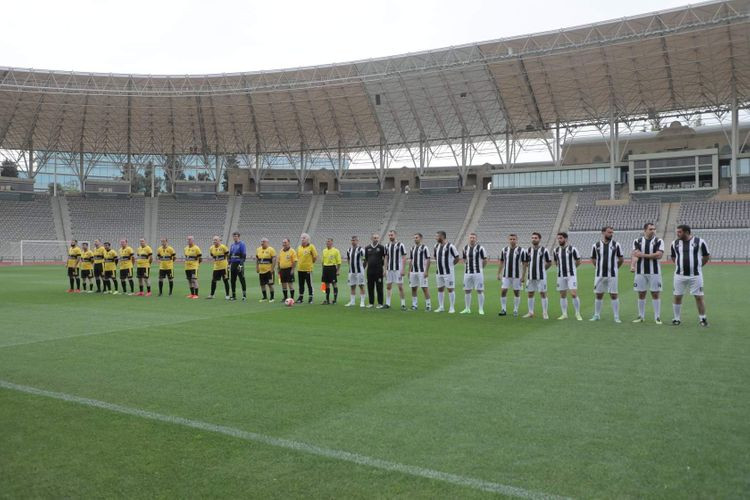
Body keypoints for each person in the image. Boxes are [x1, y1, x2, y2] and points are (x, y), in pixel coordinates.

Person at [670, 224, 710, 327]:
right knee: (677, 296)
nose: (677, 234)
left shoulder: (699, 241)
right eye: (677, 232)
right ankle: (676, 318)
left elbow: (706, 256)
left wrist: (698, 266)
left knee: (699, 297)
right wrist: (680, 265)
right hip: (679, 275)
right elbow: (674, 257)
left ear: (687, 232)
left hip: (695, 275)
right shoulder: (674, 243)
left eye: (680, 232)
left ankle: (702, 318)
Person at [631, 223, 664, 324]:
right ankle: (641, 316)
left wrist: (642, 255)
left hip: (654, 272)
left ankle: (657, 317)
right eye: (650, 229)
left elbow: (659, 255)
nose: (653, 231)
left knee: (655, 293)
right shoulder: (637, 241)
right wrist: (632, 265)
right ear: (645, 230)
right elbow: (635, 255)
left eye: (654, 229)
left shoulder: (659, 241)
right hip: (640, 272)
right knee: (641, 293)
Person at [590, 226, 624, 323]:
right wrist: (598, 267)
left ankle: (616, 317)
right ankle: (597, 315)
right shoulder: (596, 245)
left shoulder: (616, 245)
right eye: (609, 232)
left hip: (612, 275)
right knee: (598, 294)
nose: (611, 234)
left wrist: (615, 268)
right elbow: (593, 258)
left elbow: (621, 259)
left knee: (614, 295)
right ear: (603, 232)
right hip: (599, 274)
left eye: (612, 232)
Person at [522, 232, 552, 319]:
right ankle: (530, 312)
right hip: (530, 276)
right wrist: (523, 276)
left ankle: (545, 312)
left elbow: (549, 263)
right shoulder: (527, 250)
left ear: (539, 239)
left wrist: (542, 270)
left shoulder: (544, 250)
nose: (534, 239)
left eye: (535, 238)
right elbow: (525, 263)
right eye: (532, 238)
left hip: (541, 276)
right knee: (530, 293)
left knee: (543, 293)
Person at [553, 232, 582, 321]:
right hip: (561, 275)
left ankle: (577, 313)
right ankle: (564, 314)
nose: (559, 240)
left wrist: (573, 269)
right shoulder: (556, 250)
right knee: (562, 295)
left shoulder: (573, 249)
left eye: (561, 238)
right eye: (558, 238)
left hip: (571, 275)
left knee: (573, 294)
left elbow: (578, 261)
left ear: (565, 239)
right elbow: (555, 262)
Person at [498, 234, 525, 316]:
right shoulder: (504, 250)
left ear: (517, 240)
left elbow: (525, 264)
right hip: (506, 275)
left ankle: (515, 310)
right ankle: (503, 309)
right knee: (503, 291)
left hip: (517, 275)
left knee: (516, 292)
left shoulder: (521, 250)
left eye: (514, 239)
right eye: (511, 239)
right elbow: (501, 262)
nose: (512, 240)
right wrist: (498, 273)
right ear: (508, 240)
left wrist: (523, 276)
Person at [461, 233, 487, 315]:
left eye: (473, 238)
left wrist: (481, 268)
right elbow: (464, 259)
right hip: (467, 273)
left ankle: (481, 309)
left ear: (476, 239)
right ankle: (467, 308)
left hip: (478, 273)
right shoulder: (465, 248)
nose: (472, 239)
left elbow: (485, 260)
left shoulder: (480, 248)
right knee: (467, 290)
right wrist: (466, 266)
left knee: (480, 290)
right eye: (471, 238)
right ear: (468, 239)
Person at [433, 231, 459, 313]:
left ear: (442, 237)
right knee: (440, 289)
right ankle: (441, 307)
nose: (436, 238)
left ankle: (452, 307)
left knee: (450, 289)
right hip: (439, 272)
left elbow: (457, 258)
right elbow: (435, 256)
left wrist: (451, 265)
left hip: (448, 272)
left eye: (437, 236)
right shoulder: (436, 246)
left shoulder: (451, 246)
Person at [384, 230, 407, 310]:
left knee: (400, 287)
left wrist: (403, 269)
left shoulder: (401, 245)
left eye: (392, 235)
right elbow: (386, 258)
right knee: (388, 286)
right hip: (389, 269)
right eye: (389, 235)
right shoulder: (387, 245)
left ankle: (403, 304)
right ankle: (387, 303)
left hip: (398, 269)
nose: (390, 236)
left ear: (395, 235)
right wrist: (384, 269)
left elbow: (404, 258)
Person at [408, 233, 431, 311]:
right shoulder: (412, 248)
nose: (415, 239)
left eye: (417, 237)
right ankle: (414, 305)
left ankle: (428, 305)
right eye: (414, 238)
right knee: (413, 288)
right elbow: (411, 260)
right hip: (413, 271)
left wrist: (426, 271)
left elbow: (428, 259)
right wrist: (409, 271)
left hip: (421, 271)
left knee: (424, 288)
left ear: (421, 238)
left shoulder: (425, 248)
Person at [364, 233, 386, 308]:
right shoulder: (367, 248)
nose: (376, 239)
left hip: (378, 271)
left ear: (378, 239)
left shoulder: (381, 247)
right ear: (371, 238)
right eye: (374, 238)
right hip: (370, 271)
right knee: (370, 287)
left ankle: (380, 303)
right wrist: (364, 269)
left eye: (377, 238)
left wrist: (384, 268)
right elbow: (366, 259)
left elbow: (385, 258)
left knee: (379, 287)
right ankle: (371, 303)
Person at [296, 233, 318, 304]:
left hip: (308, 269)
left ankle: (311, 297)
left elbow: (315, 257)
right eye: (301, 238)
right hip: (300, 269)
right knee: (301, 284)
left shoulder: (311, 247)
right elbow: (298, 257)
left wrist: (310, 263)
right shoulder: (299, 247)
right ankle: (300, 297)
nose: (302, 239)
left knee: (309, 284)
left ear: (308, 239)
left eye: (304, 238)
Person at [345, 236, 366, 308]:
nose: (353, 241)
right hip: (351, 271)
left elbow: (365, 259)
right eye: (352, 240)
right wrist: (350, 266)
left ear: (357, 241)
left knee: (361, 285)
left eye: (354, 240)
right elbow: (348, 259)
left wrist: (363, 267)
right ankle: (352, 302)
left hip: (359, 271)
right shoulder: (349, 250)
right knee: (352, 286)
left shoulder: (361, 250)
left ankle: (362, 302)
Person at [208, 235, 231, 300]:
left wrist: (229, 264)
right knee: (213, 281)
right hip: (216, 267)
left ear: (219, 240)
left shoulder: (223, 247)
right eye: (214, 240)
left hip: (224, 267)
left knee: (225, 280)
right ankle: (212, 295)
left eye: (216, 240)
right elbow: (212, 255)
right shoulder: (211, 248)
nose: (214, 241)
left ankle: (227, 295)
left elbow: (228, 255)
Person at [321, 238, 341, 304]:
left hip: (332, 268)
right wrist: (323, 269)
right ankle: (327, 299)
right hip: (325, 268)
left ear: (332, 242)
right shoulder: (324, 251)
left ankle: (335, 300)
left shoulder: (336, 251)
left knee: (334, 283)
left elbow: (339, 262)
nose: (327, 243)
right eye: (327, 241)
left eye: (329, 241)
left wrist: (338, 270)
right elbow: (322, 261)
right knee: (326, 284)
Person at [229, 231, 247, 301]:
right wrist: (229, 264)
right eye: (234, 236)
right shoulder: (232, 245)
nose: (235, 237)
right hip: (233, 264)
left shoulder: (242, 244)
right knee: (232, 280)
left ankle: (244, 296)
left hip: (239, 263)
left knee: (242, 279)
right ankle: (234, 296)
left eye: (236, 236)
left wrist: (241, 264)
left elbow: (244, 255)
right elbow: (230, 255)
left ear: (239, 237)